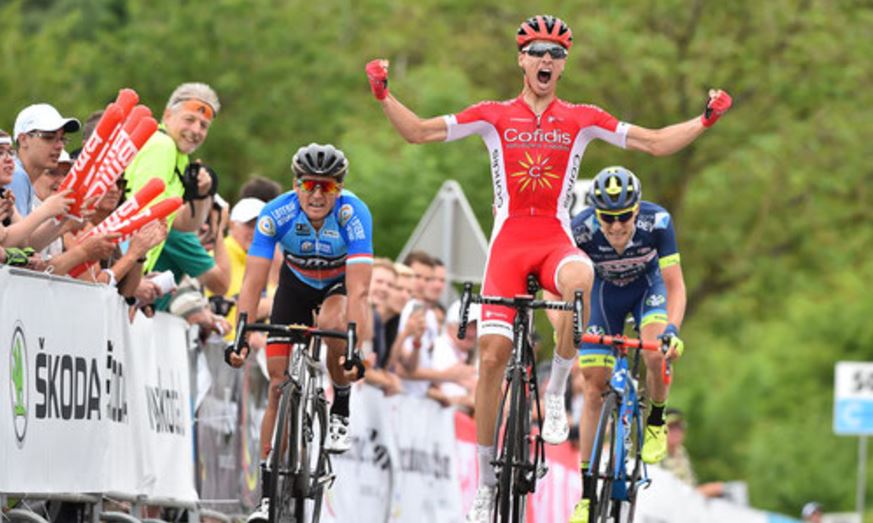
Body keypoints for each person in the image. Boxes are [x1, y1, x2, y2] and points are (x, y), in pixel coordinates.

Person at [366, 14, 731, 521]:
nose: (546, 59)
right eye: (537, 51)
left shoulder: (581, 118)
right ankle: (486, 482)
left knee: (581, 276)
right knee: (491, 358)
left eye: (556, 54)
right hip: (509, 245)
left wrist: (704, 120)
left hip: (554, 239)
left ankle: (556, 390)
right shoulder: (494, 115)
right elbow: (420, 132)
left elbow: (652, 142)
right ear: (521, 59)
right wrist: (384, 95)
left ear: (563, 65)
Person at [227, 143, 372, 523]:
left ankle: (340, 404)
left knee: (332, 325)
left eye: (328, 186)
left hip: (337, 286)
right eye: (309, 185)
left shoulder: (354, 214)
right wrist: (240, 336)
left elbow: (360, 290)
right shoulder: (276, 214)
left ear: (340, 188)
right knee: (278, 386)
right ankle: (266, 496)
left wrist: (354, 347)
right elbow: (252, 283)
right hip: (295, 286)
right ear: (296, 185)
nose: (317, 195)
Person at [565, 166, 687, 521]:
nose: (616, 226)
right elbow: (558, 282)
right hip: (603, 295)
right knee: (592, 387)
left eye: (624, 217)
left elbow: (675, 285)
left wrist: (673, 329)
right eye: (607, 218)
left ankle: (656, 419)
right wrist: (564, 326)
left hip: (648, 289)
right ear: (595, 213)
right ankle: (587, 495)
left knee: (654, 352)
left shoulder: (658, 222)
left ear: (637, 210)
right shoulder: (580, 229)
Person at [123, 82, 220, 272]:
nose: (196, 130)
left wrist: (201, 195)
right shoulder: (162, 146)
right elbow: (143, 215)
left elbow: (182, 224)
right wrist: (135, 277)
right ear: (168, 115)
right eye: (189, 119)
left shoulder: (179, 156)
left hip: (131, 267)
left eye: (203, 125)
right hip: (125, 267)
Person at [6, 103, 80, 217]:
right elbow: (15, 229)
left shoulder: (21, 177)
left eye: (62, 138)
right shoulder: (15, 175)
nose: (60, 145)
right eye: (48, 137)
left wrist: (73, 220)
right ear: (23, 140)